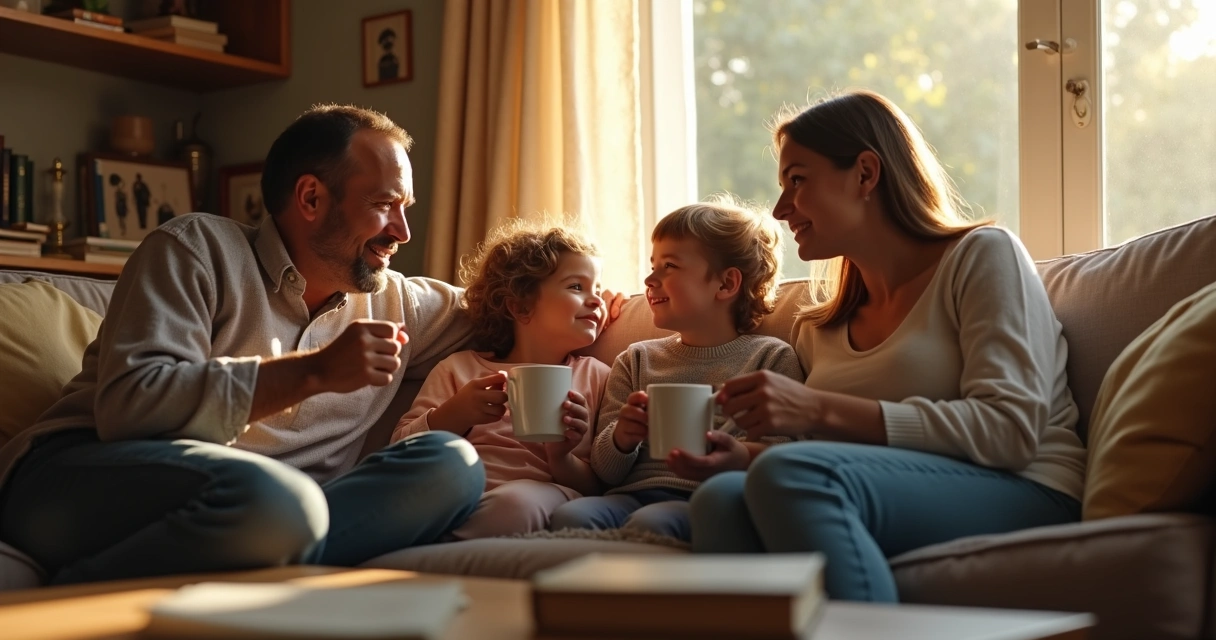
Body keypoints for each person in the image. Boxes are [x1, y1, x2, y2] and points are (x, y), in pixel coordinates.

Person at [0, 105, 487, 585]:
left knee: (449, 466)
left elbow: (520, 304)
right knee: (277, 502)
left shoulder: (397, 301)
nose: (401, 232)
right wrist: (315, 371)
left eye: (405, 209)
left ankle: (266, 559)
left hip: (262, 516)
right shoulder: (195, 249)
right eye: (384, 205)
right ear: (311, 198)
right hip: (78, 475)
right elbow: (131, 406)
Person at [688, 90, 1087, 602]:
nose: (780, 208)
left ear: (865, 174)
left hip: (1028, 487)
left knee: (793, 474)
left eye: (797, 180)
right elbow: (834, 460)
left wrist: (816, 409)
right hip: (892, 488)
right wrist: (742, 454)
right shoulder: (821, 326)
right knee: (719, 498)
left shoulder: (982, 257)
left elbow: (1010, 431)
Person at [549, 199, 804, 541]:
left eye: (668, 265)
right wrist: (623, 437)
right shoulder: (635, 359)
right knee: (570, 516)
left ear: (726, 284)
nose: (649, 279)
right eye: (653, 265)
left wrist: (730, 451)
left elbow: (783, 456)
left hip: (708, 499)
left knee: (653, 522)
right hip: (630, 496)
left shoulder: (770, 359)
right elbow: (606, 472)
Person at [392, 222, 611, 539]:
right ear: (520, 306)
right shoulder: (459, 369)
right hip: (456, 495)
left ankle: (443, 549)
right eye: (577, 287)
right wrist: (456, 413)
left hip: (542, 493)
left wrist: (561, 456)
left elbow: (600, 486)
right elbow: (400, 453)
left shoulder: (596, 376)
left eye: (598, 290)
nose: (596, 300)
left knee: (516, 503)